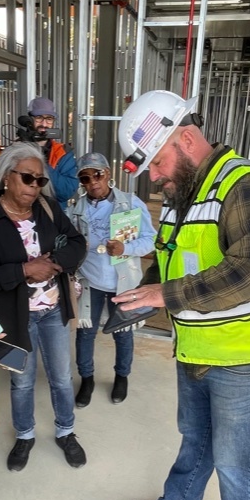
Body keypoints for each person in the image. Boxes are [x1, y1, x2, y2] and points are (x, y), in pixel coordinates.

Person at [113, 90, 250, 500]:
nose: (155, 177)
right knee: (195, 439)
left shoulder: (247, 184)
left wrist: (167, 294)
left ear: (185, 138)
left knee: (238, 462)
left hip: (248, 357)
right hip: (199, 347)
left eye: (157, 162)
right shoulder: (183, 195)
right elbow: (174, 258)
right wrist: (144, 290)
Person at [0, 142, 87, 471]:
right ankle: (25, 435)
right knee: (22, 381)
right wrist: (24, 271)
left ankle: (66, 431)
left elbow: (77, 242)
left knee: (61, 377)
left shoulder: (47, 209)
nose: (35, 186)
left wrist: (54, 262)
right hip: (15, 316)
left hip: (54, 311)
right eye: (27, 178)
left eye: (40, 180)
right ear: (6, 177)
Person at [67, 152, 155, 406]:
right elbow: (67, 242)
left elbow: (151, 239)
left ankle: (121, 377)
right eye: (85, 178)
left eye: (98, 174)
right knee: (85, 333)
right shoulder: (75, 209)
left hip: (123, 282)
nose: (93, 181)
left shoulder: (131, 203)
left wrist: (126, 248)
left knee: (123, 333)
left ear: (108, 174)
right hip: (90, 281)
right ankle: (87, 379)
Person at [23, 97, 79, 208]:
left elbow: (66, 192)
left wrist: (42, 162)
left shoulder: (63, 152)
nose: (44, 124)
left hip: (52, 214)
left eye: (49, 118)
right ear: (29, 120)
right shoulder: (17, 148)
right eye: (39, 117)